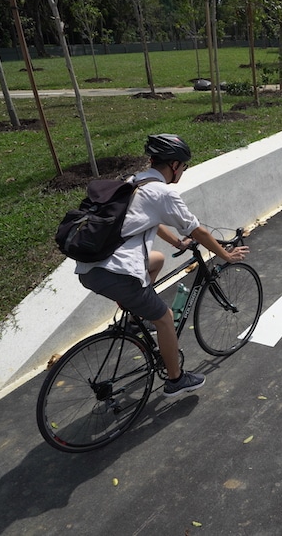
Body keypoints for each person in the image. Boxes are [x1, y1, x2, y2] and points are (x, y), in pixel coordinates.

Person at [75, 134, 249, 397]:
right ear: (175, 165)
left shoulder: (135, 182)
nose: (183, 172)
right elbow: (198, 231)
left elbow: (151, 221)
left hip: (91, 269)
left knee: (157, 259)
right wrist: (225, 254)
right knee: (165, 319)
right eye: (184, 166)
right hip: (118, 274)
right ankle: (176, 379)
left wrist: (178, 243)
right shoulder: (163, 192)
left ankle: (134, 320)